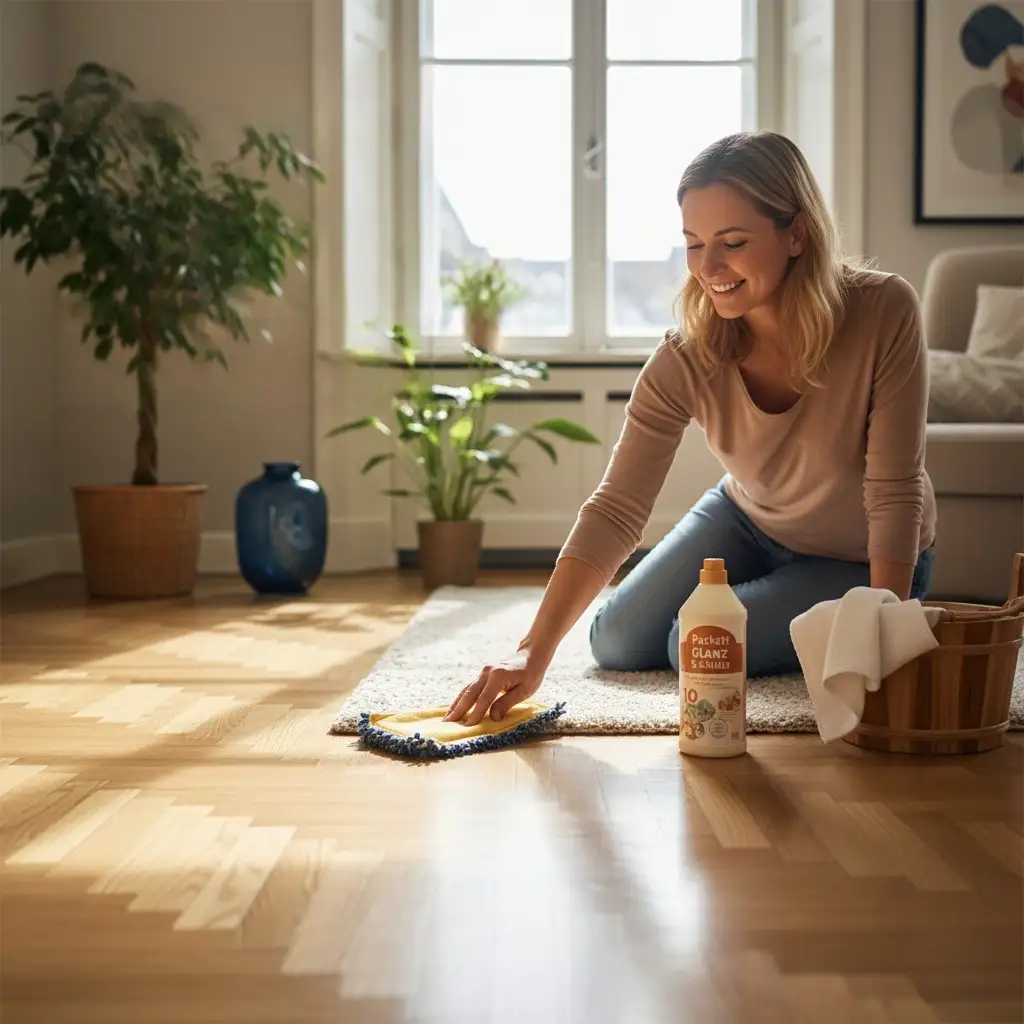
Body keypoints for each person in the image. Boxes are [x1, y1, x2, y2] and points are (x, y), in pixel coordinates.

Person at [444, 130, 937, 727]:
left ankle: (787, 597)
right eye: (694, 244)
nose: (709, 268)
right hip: (748, 519)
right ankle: (770, 591)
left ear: (796, 234)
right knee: (616, 642)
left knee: (695, 644)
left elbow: (893, 489)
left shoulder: (883, 311)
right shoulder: (688, 353)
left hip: (858, 557)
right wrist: (532, 651)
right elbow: (616, 508)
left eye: (732, 242)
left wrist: (882, 618)